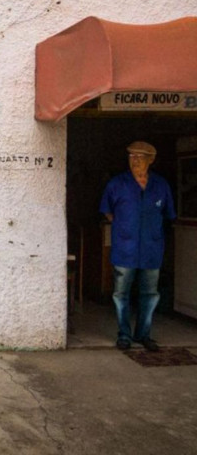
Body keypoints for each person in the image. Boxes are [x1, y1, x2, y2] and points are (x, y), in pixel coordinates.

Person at [100, 141, 175, 352]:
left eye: (140, 157)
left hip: (152, 250)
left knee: (149, 294)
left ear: (151, 160)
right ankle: (124, 335)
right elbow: (107, 210)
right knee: (120, 294)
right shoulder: (117, 184)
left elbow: (168, 214)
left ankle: (143, 334)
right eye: (131, 156)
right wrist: (124, 227)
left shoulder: (161, 185)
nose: (135, 160)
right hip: (125, 249)